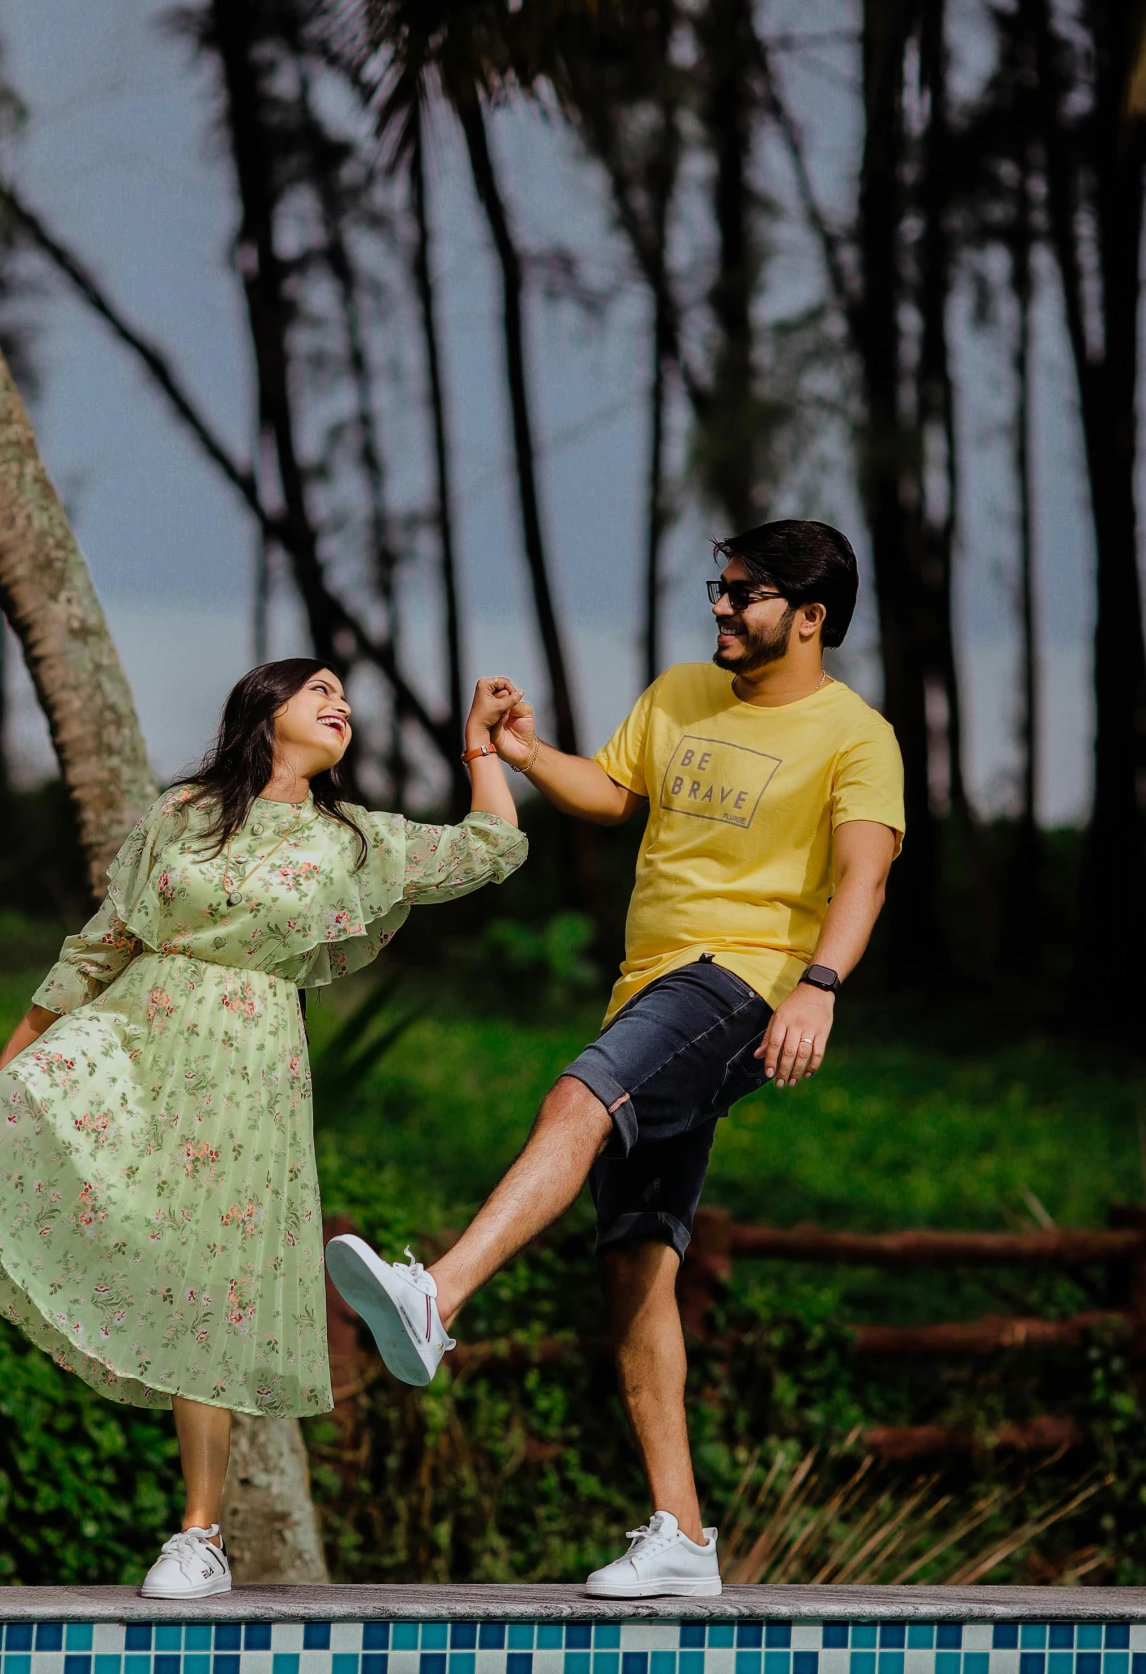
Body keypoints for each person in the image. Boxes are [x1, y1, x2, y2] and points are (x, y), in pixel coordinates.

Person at [0, 660, 527, 1599]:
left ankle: (199, 1536)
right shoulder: (184, 814)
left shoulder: (354, 838)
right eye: (318, 690)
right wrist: (7, 1067)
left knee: (213, 1283)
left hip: (249, 1072)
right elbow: (99, 944)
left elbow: (493, 843)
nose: (340, 705)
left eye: (345, 696)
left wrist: (479, 745)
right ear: (265, 710)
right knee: (13, 1102)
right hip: (133, 1022)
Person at [327, 521, 904, 1598]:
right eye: (719, 588)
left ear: (811, 617)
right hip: (651, 980)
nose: (723, 608)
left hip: (741, 978)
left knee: (579, 1093)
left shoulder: (855, 736)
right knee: (637, 1256)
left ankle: (436, 1296)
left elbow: (863, 877)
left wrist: (819, 990)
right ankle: (680, 1532)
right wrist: (516, 751)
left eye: (746, 594)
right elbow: (613, 794)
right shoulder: (683, 692)